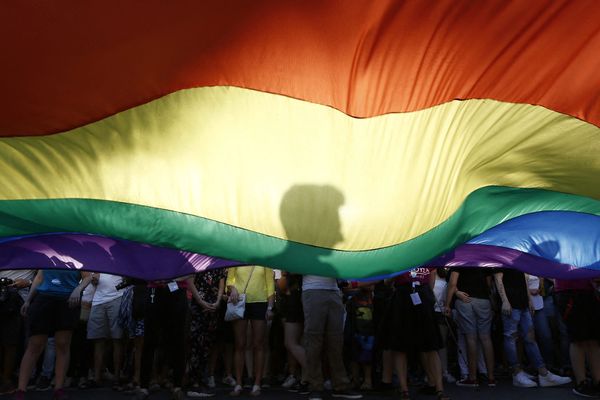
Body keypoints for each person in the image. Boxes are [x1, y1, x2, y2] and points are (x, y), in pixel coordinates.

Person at [15, 269, 93, 400]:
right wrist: (28, 300)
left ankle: (59, 388)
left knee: (62, 344)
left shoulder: (77, 255)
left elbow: (88, 277)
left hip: (68, 299)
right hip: (44, 298)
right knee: (35, 345)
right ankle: (21, 390)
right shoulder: (48, 253)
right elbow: (39, 277)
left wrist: (77, 290)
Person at [493, 269, 571, 388]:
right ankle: (517, 373)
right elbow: (498, 278)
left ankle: (543, 373)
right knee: (511, 337)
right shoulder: (503, 255)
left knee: (529, 337)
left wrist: (529, 300)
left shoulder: (517, 253)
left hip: (523, 302)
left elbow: (524, 278)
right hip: (512, 303)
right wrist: (505, 301)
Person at [382, 267, 450, 400]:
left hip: (405, 297)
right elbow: (431, 282)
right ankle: (438, 389)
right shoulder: (424, 253)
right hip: (419, 297)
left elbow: (387, 282)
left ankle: (406, 390)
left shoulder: (400, 256)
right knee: (427, 346)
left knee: (407, 346)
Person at [226, 266, 275, 397]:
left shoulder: (263, 258)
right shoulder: (236, 256)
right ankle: (238, 383)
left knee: (258, 344)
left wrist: (270, 307)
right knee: (239, 344)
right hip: (240, 301)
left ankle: (257, 383)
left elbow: (270, 283)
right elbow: (229, 280)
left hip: (260, 302)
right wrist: (233, 288)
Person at [445, 267, 495, 387]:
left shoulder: (460, 259)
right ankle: (491, 377)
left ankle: (472, 378)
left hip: (465, 300)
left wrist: (447, 304)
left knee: (470, 338)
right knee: (486, 338)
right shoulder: (484, 260)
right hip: (484, 300)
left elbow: (452, 283)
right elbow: (489, 284)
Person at [554, 277, 600, 397]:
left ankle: (597, 380)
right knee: (578, 339)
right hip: (569, 290)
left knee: (593, 340)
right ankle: (581, 382)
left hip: (590, 290)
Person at [188, 269, 226, 398]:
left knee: (207, 345)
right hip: (198, 306)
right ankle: (193, 382)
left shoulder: (217, 263)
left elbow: (221, 284)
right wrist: (200, 301)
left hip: (213, 307)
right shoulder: (196, 261)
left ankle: (202, 380)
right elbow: (190, 282)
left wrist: (218, 301)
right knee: (195, 344)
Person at [86, 273, 125, 389]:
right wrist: (93, 278)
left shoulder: (121, 255)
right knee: (98, 340)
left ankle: (117, 378)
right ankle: (97, 377)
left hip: (118, 296)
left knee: (117, 339)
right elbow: (91, 275)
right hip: (98, 299)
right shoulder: (98, 255)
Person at [0, 270, 34, 395]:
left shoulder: (35, 254)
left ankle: (6, 380)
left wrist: (29, 282)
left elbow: (42, 276)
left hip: (16, 302)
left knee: (11, 343)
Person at [279, 272, 308, 393]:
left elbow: (283, 283)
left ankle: (313, 373)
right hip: (301, 296)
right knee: (300, 342)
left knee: (290, 342)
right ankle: (305, 380)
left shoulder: (294, 257)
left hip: (295, 298)